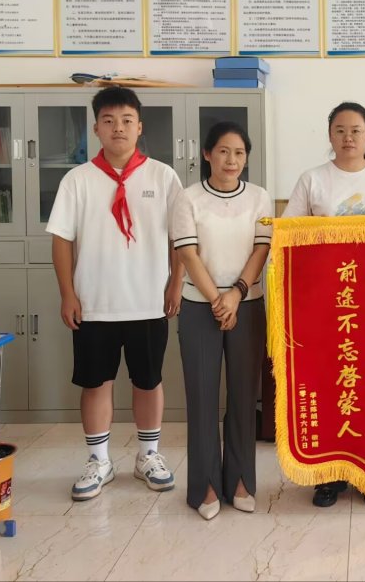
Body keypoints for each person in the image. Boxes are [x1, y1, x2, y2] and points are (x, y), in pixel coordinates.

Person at [47, 86, 184, 501]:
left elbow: (180, 237)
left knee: (149, 381)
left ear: (140, 127)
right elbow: (61, 240)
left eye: (126, 120)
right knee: (95, 383)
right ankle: (99, 461)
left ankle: (148, 455)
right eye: (108, 121)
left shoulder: (163, 176)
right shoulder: (78, 180)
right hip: (94, 304)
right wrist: (68, 294)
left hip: (148, 301)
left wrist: (176, 283)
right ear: (96, 129)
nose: (118, 128)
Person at [283, 101, 365, 508]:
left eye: (356, 130)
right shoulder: (312, 180)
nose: (348, 137)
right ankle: (329, 475)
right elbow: (289, 235)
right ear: (330, 135)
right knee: (329, 385)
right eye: (340, 130)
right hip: (325, 304)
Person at [171, 121, 272, 520]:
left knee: (245, 396)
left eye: (239, 153)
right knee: (202, 398)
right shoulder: (188, 198)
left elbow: (261, 249)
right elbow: (188, 254)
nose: (232, 160)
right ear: (208, 154)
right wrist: (217, 299)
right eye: (224, 152)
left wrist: (236, 294)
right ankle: (206, 486)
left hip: (247, 303)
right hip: (201, 306)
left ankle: (241, 481)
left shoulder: (260, 198)